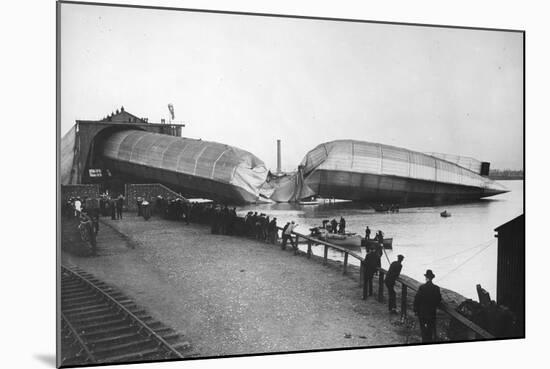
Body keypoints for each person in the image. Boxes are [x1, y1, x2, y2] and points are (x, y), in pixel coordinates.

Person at [414, 269, 442, 343]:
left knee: (423, 329)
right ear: (432, 278)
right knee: (430, 329)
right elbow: (438, 300)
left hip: (422, 312)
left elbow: (417, 299)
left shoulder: (422, 287)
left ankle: (424, 341)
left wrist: (416, 310)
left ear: (426, 278)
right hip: (431, 312)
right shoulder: (436, 288)